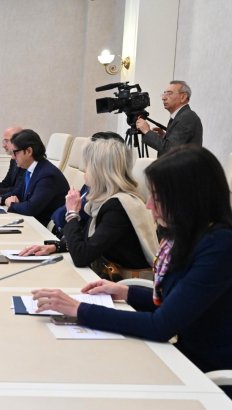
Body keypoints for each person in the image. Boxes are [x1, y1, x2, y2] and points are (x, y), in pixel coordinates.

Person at [32, 146, 232, 397]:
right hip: (181, 358)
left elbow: (161, 325)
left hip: (205, 373)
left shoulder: (219, 246)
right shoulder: (188, 236)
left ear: (186, 199)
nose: (148, 206)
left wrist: (78, 309)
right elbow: (176, 302)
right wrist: (126, 293)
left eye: (156, 197)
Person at [21, 138, 158, 280]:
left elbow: (82, 256)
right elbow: (91, 242)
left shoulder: (118, 207)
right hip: (109, 276)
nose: (85, 172)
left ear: (100, 171)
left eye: (87, 167)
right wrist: (56, 247)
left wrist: (72, 213)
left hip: (127, 284)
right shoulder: (106, 200)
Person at [49, 131, 128, 238]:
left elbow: (65, 219)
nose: (85, 165)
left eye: (91, 157)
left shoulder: (111, 201)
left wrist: (70, 212)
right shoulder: (92, 184)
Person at [3, 129, 69, 226]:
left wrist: (12, 204)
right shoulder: (30, 170)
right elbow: (17, 194)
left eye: (15, 152)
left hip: (43, 229)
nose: (13, 157)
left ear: (29, 151)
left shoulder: (47, 175)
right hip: (31, 223)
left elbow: (31, 208)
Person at [135, 80, 202, 157]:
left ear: (183, 97)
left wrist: (147, 131)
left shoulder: (187, 117)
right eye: (164, 94)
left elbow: (170, 149)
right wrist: (165, 137)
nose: (163, 98)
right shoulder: (182, 115)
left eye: (169, 93)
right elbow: (177, 145)